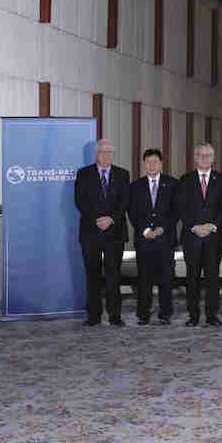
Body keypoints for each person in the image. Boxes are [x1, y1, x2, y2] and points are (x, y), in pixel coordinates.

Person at [74, 138, 130, 326]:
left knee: (114, 275)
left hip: (115, 232)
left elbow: (125, 201)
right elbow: (80, 201)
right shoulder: (83, 174)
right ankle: (94, 316)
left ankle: (115, 316)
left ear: (113, 154)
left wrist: (110, 219)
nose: (105, 155)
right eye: (102, 152)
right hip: (91, 231)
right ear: (96, 154)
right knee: (92, 275)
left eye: (109, 152)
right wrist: (97, 220)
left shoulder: (123, 174)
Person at [175, 142, 222, 327]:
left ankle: (212, 315)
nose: (205, 158)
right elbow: (181, 207)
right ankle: (193, 316)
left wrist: (211, 226)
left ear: (213, 158)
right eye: (201, 155)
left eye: (208, 155)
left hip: (214, 236)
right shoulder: (185, 179)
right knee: (192, 278)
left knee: (213, 278)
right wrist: (195, 226)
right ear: (195, 157)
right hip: (192, 236)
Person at [128, 149, 178, 325]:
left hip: (166, 239)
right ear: (144, 164)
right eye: (148, 162)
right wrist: (145, 230)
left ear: (161, 163)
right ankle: (143, 315)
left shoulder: (173, 184)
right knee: (144, 280)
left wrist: (162, 228)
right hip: (144, 240)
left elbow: (176, 210)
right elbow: (132, 212)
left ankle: (165, 314)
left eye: (155, 161)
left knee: (166, 279)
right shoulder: (135, 186)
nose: (151, 165)